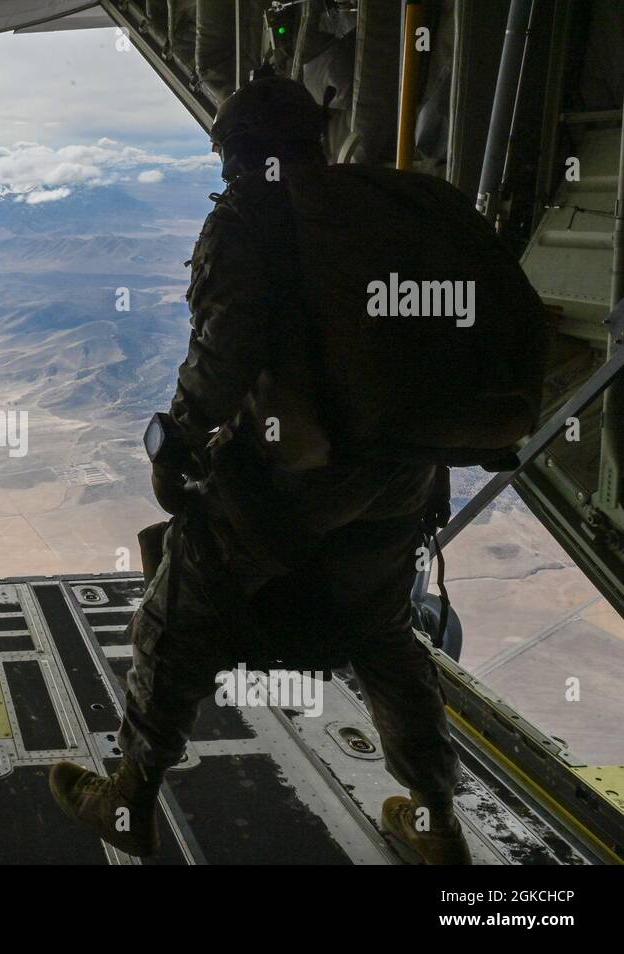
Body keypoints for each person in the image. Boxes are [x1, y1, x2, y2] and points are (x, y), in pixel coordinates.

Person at [49, 76, 501, 865]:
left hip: (295, 484)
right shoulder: (385, 211)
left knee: (174, 623)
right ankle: (436, 824)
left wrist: (180, 444)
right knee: (386, 639)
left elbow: (226, 350)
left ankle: (130, 797)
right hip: (401, 480)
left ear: (239, 151)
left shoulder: (250, 219)